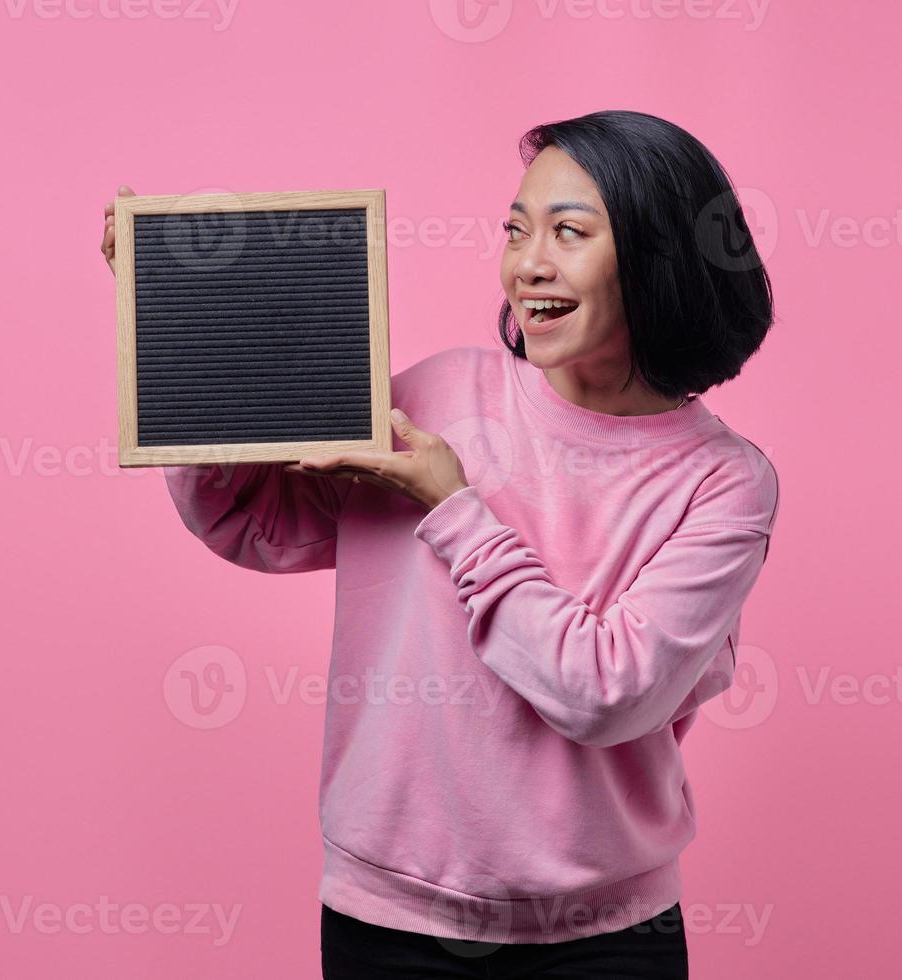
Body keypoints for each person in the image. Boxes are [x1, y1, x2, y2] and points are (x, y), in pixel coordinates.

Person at [100, 108, 778, 979]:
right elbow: (254, 517)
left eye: (568, 232)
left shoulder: (724, 483)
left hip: (608, 940)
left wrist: (453, 506)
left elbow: (606, 692)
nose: (529, 262)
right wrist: (180, 315)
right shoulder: (441, 392)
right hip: (385, 922)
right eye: (516, 228)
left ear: (658, 258)